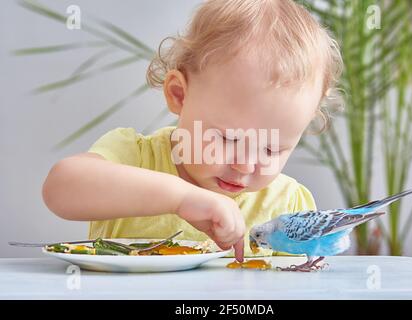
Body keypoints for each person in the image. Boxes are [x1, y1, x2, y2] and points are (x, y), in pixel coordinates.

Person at [42, 0, 343, 262]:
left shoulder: (287, 205)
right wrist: (180, 198)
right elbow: (59, 189)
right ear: (179, 95)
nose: (245, 164)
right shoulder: (133, 155)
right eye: (228, 138)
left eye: (271, 149)